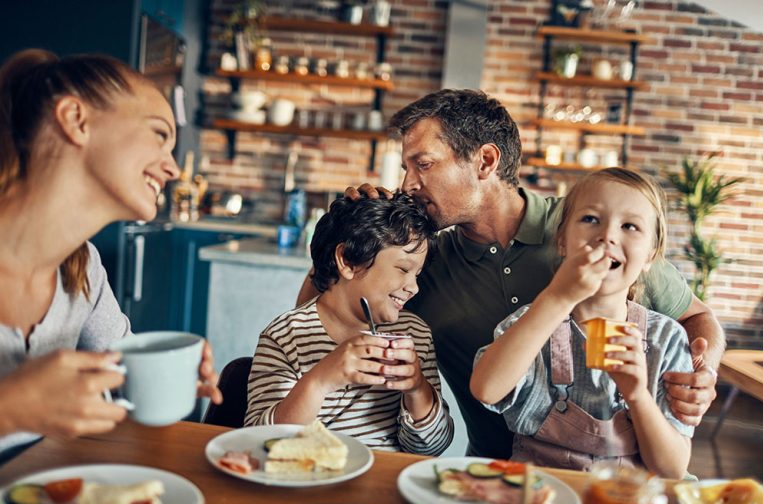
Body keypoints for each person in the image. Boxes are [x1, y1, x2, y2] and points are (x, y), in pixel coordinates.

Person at [298, 89, 725, 459]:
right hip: (493, 466)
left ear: (485, 161)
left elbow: (696, 318)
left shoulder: (587, 228)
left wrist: (703, 374)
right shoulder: (423, 262)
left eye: (422, 164)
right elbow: (309, 320)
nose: (408, 183)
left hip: (614, 466)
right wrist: (349, 233)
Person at [0, 49, 222, 461]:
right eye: (159, 135)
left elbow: (120, 366)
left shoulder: (80, 266)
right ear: (76, 120)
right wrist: (10, 408)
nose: (172, 170)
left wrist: (165, 372)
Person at [471, 168, 692, 478]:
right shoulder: (530, 326)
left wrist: (638, 395)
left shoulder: (666, 340)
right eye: (591, 219)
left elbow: (672, 468)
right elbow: (486, 389)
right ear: (562, 241)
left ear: (650, 257)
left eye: (630, 225)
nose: (608, 236)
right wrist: (558, 298)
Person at [245, 194, 453, 455]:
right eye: (402, 269)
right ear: (348, 261)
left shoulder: (415, 335)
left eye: (417, 274)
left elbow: (432, 448)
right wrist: (321, 380)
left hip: (381, 487)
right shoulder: (286, 337)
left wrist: (417, 387)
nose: (413, 287)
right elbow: (260, 442)